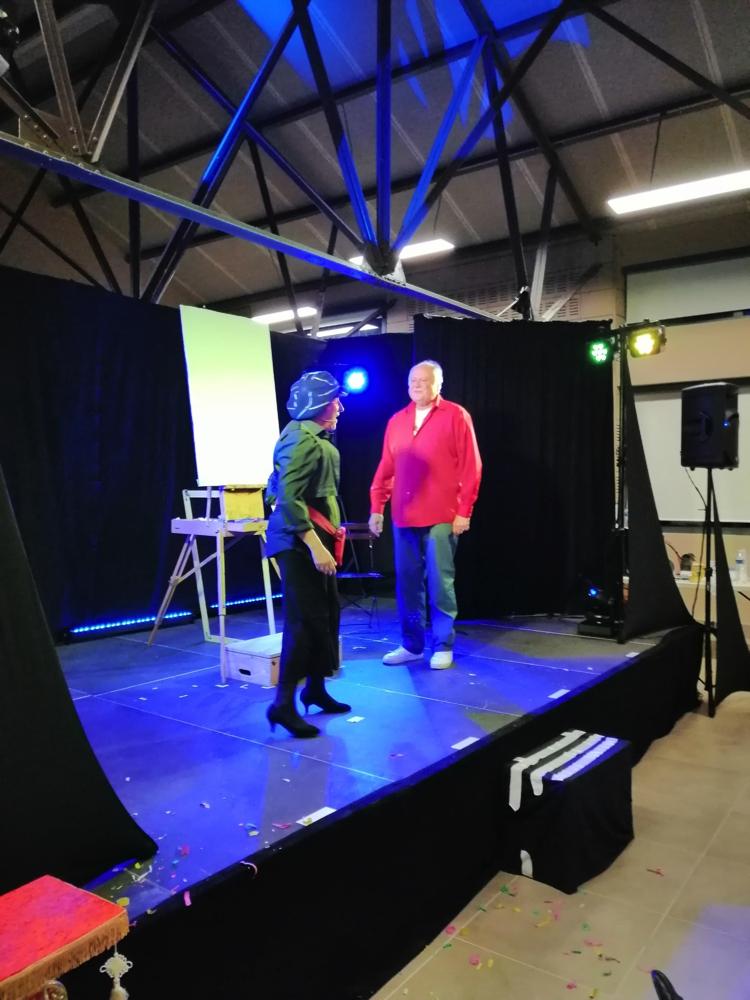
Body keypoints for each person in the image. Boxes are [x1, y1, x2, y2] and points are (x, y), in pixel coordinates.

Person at [369, 360, 482, 669]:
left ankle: (443, 644)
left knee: (439, 582)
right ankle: (412, 644)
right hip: (404, 515)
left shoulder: (455, 415)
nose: (416, 385)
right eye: (412, 380)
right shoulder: (397, 420)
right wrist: (377, 507)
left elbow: (471, 466)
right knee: (407, 583)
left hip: (442, 514)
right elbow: (386, 468)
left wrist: (464, 511)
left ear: (438, 384)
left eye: (423, 380)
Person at [264, 371, 351, 738]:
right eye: (334, 401)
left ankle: (315, 689)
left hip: (316, 541)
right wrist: (315, 545)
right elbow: (287, 498)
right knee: (302, 623)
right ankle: (282, 705)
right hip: (299, 545)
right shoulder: (300, 440)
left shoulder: (314, 438)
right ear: (318, 404)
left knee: (324, 617)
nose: (340, 408)